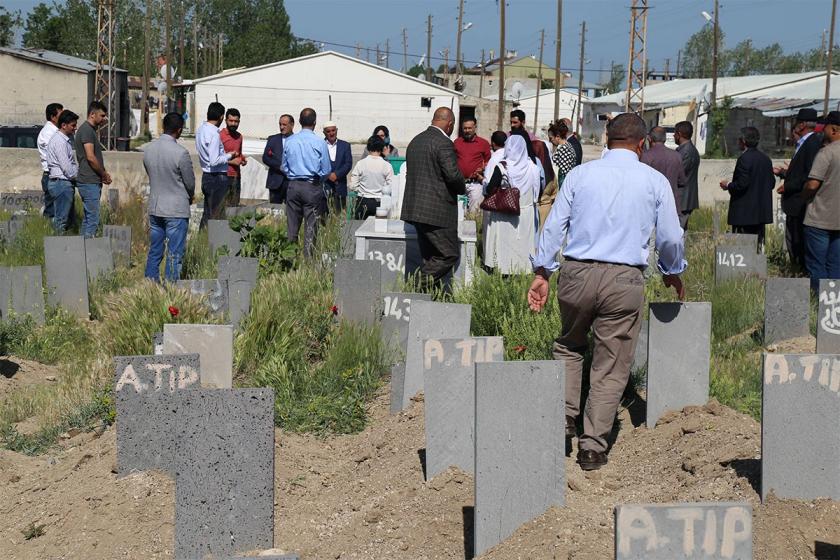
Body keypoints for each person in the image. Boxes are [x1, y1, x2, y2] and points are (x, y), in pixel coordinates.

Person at [528, 113, 686, 471]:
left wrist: (542, 271)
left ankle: (563, 420)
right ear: (642, 143)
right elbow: (671, 237)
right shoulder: (654, 181)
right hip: (624, 278)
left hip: (577, 272)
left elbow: (553, 227)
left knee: (569, 345)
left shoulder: (581, 176)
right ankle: (592, 446)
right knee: (611, 363)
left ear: (605, 138)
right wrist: (671, 271)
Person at [401, 107, 466, 291]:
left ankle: (426, 298)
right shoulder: (443, 143)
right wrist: (462, 187)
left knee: (430, 257)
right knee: (449, 254)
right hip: (437, 211)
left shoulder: (416, 141)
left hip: (415, 209)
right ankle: (414, 287)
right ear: (450, 124)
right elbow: (453, 175)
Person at [143, 112, 195, 283]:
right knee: (174, 253)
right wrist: (190, 195)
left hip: (155, 205)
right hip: (176, 208)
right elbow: (189, 182)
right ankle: (171, 288)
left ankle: (150, 284)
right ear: (179, 130)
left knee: (155, 249)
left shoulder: (148, 149)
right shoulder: (181, 153)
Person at [482, 135, 541, 273]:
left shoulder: (502, 167)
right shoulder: (534, 168)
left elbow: (490, 189)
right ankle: (523, 270)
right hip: (525, 213)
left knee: (504, 244)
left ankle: (502, 270)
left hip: (504, 212)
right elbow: (537, 192)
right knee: (522, 244)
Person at [776, 108, 823, 269]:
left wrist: (788, 186)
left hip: (799, 202)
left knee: (798, 241)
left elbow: (809, 175)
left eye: (796, 123)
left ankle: (800, 274)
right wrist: (784, 173)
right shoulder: (804, 144)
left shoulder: (812, 144)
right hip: (795, 203)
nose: (793, 126)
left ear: (802, 125)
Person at [282, 107, 332, 257]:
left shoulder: (290, 141)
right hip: (312, 185)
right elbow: (326, 169)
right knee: (311, 225)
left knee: (292, 226)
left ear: (299, 122)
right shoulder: (319, 142)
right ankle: (308, 260)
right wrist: (319, 180)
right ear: (315, 122)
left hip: (293, 184)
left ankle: (290, 258)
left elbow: (284, 166)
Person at [719, 127, 775, 249]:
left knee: (743, 248)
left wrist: (728, 185)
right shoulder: (766, 159)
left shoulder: (744, 159)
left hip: (745, 214)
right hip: (760, 213)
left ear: (743, 141)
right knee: (758, 248)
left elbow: (741, 185)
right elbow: (771, 183)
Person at [802, 111, 840, 291]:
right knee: (835, 265)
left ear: (833, 130)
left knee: (817, 265)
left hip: (819, 219)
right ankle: (833, 306)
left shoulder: (827, 153)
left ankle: (819, 304)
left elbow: (812, 185)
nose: (821, 130)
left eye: (825, 127)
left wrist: (802, 197)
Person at [196, 101, 240, 229]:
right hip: (217, 177)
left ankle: (203, 240)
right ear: (221, 117)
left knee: (208, 214)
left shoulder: (201, 130)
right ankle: (215, 244)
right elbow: (214, 160)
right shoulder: (214, 134)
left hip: (207, 176)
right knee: (217, 216)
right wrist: (229, 155)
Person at [74, 100, 112, 237]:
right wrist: (103, 173)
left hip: (91, 180)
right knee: (93, 220)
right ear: (92, 114)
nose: (104, 119)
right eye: (102, 116)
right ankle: (88, 251)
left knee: (88, 218)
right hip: (89, 181)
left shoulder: (89, 131)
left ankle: (82, 249)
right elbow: (90, 157)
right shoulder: (87, 131)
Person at [45, 110, 80, 233]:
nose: (75, 128)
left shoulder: (65, 139)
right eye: (73, 125)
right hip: (61, 183)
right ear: (64, 125)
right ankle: (57, 247)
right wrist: (79, 177)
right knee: (62, 220)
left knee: (68, 220)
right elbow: (67, 168)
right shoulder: (60, 141)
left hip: (62, 183)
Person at [641, 126, 687, 215]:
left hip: (651, 206)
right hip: (671, 205)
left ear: (649, 139)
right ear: (664, 139)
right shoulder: (676, 156)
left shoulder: (646, 157)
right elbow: (682, 181)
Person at [349, 135, 394, 219]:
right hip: (380, 203)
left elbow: (353, 185)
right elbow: (390, 186)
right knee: (379, 229)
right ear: (382, 148)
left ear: (368, 147)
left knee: (360, 229)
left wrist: (361, 190)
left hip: (362, 201)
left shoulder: (361, 163)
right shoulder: (387, 165)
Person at [454, 117, 491, 213]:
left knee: (474, 214)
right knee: (460, 214)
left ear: (475, 127)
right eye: (465, 128)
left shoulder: (484, 143)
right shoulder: (457, 142)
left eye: (470, 128)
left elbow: (489, 162)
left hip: (475, 185)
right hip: (460, 184)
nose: (467, 131)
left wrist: (482, 169)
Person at [510, 109, 555, 185]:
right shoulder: (510, 135)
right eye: (511, 122)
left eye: (515, 122)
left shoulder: (524, 136)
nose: (512, 125)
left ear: (523, 122)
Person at [37, 103, 63, 219]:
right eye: (60, 115)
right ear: (53, 117)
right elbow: (56, 155)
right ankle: (49, 234)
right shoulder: (49, 133)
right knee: (52, 211)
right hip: (51, 175)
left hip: (55, 175)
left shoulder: (54, 131)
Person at [674, 120, 701, 229]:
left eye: (675, 133)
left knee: (678, 231)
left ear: (679, 134)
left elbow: (678, 174)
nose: (673, 135)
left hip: (684, 199)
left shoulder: (686, 152)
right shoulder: (686, 150)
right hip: (684, 198)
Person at [262, 114, 294, 204]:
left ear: (292, 125)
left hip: (291, 182)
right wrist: (279, 166)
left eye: (284, 125)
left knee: (291, 210)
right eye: (280, 124)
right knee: (274, 210)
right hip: (275, 181)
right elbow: (266, 158)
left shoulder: (298, 140)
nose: (281, 127)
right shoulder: (273, 139)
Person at [219, 108, 247, 207]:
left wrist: (242, 159)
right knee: (222, 206)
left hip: (236, 176)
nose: (233, 124)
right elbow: (215, 157)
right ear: (226, 120)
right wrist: (231, 162)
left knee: (234, 206)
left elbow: (239, 154)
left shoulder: (239, 137)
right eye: (231, 121)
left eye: (236, 121)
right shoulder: (219, 135)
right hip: (223, 175)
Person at [323, 121, 353, 212]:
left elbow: (348, 164)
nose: (331, 133)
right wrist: (328, 175)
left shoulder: (345, 145)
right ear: (324, 133)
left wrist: (337, 174)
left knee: (339, 216)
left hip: (340, 187)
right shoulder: (320, 144)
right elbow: (317, 163)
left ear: (336, 130)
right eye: (328, 131)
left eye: (333, 130)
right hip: (325, 187)